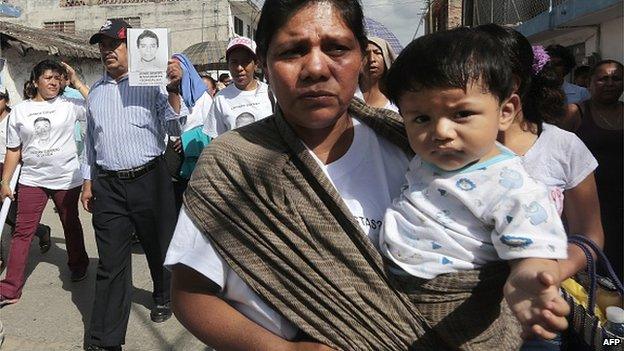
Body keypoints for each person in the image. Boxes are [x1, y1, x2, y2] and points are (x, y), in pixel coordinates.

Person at [166, 1, 569, 350]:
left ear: (362, 58)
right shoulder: (232, 166)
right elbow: (190, 296)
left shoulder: (417, 147)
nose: (315, 68)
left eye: (337, 48)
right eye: (292, 51)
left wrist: (528, 276)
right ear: (266, 65)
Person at [379, 27, 570, 349]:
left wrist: (528, 278)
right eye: (421, 118)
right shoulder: (424, 159)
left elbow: (535, 251)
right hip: (393, 302)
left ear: (505, 112)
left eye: (462, 114)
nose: (441, 131)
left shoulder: (513, 187)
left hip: (460, 314)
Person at [82, 19, 185, 351]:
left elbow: (174, 129)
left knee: (158, 244)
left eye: (114, 44)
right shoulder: (95, 93)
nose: (107, 50)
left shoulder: (150, 85)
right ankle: (105, 341)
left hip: (149, 178)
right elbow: (91, 144)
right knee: (110, 264)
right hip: (108, 185)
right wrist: (88, 182)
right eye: (102, 45)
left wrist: (172, 89)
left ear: (132, 47)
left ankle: (162, 294)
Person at [0, 60, 90, 306]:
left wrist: (77, 81)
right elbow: (13, 149)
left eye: (58, 78)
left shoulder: (69, 105)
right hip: (32, 179)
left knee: (70, 223)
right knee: (22, 232)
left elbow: (100, 106)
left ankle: (79, 264)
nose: (54, 82)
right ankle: (10, 289)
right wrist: (5, 181)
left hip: (66, 177)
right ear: (35, 81)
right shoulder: (20, 110)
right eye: (48, 77)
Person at [563, 59, 623, 280]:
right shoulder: (575, 113)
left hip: (620, 204)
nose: (609, 83)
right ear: (590, 83)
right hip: (588, 204)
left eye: (616, 78)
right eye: (603, 78)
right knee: (596, 266)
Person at [202, 36, 274, 138]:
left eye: (245, 61)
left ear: (256, 64)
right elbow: (217, 139)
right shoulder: (220, 99)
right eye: (234, 62)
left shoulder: (270, 93)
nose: (239, 68)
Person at [355, 36, 398, 112]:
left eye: (377, 53)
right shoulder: (348, 96)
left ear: (386, 59)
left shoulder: (397, 100)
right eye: (366, 54)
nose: (372, 59)